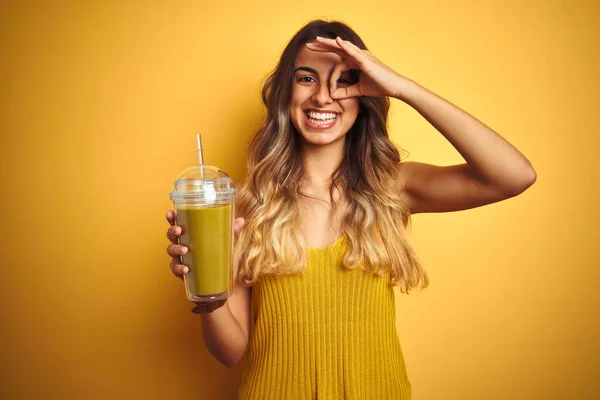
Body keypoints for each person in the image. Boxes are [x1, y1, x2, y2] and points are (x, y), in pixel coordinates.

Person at [165, 19, 536, 399]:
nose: (324, 97)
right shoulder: (246, 205)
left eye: (343, 80)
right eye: (306, 78)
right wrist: (206, 290)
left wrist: (401, 87)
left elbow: (514, 176)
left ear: (366, 94)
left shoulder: (391, 188)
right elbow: (231, 352)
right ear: (284, 92)